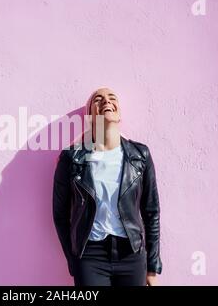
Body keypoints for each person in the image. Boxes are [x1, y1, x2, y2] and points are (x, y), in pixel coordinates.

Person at [52, 87, 162, 286]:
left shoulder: (140, 155)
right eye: (98, 99)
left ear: (119, 113)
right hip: (90, 256)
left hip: (131, 254)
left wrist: (152, 266)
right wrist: (73, 260)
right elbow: (60, 215)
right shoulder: (71, 158)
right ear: (90, 115)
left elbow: (151, 211)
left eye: (112, 98)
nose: (106, 101)